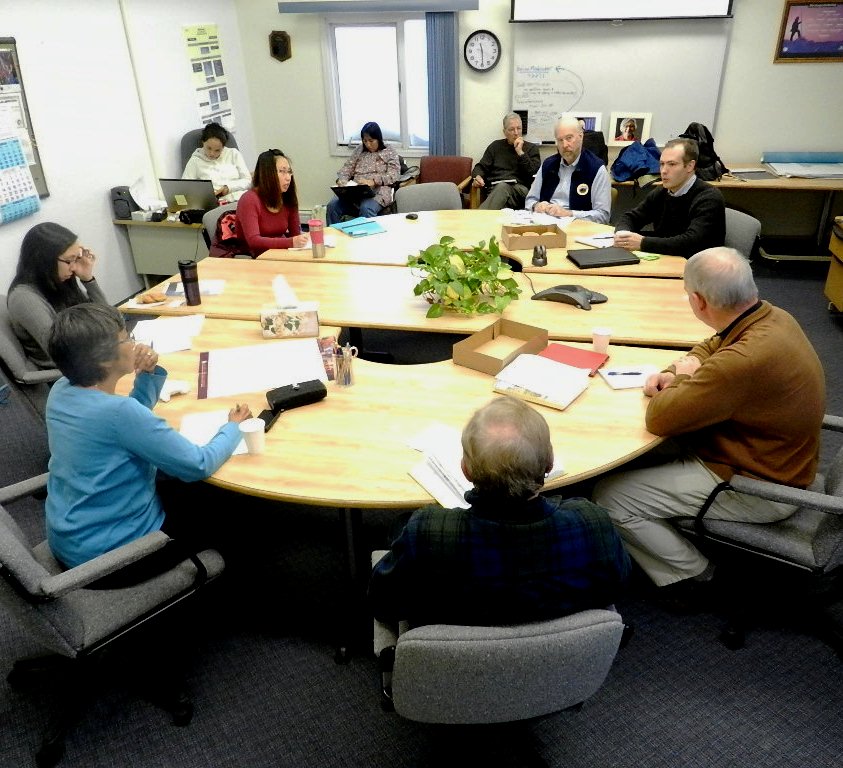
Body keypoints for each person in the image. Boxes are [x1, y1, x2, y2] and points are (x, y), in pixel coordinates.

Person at [593, 247, 825, 592]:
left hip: (760, 485)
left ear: (699, 302)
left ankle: (696, 576)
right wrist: (678, 369)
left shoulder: (741, 362)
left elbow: (660, 418)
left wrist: (685, 378)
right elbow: (713, 344)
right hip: (775, 454)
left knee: (610, 497)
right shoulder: (772, 317)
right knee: (634, 454)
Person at [369, 396, 631, 627]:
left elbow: (383, 604)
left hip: (456, 670)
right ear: (549, 463)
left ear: (466, 470)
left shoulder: (428, 534)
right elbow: (617, 584)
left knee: (398, 529)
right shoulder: (592, 526)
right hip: (561, 671)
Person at [45, 303, 252, 575]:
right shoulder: (118, 413)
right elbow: (197, 464)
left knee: (180, 486)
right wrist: (234, 427)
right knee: (233, 509)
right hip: (117, 557)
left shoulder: (61, 391)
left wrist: (147, 377)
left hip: (73, 539)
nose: (133, 343)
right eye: (126, 338)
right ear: (104, 360)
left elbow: (127, 427)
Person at [7, 222, 109, 370]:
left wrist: (88, 279)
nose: (74, 267)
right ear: (44, 260)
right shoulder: (24, 298)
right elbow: (63, 351)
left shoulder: (59, 281)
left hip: (91, 355)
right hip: (68, 374)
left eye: (76, 258)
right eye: (69, 260)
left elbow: (107, 319)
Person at [613, 138, 726, 258]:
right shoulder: (662, 192)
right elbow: (631, 217)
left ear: (690, 166)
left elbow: (691, 242)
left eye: (672, 164)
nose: (664, 171)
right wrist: (623, 235)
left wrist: (642, 243)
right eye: (662, 164)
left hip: (700, 266)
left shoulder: (709, 197)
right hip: (668, 258)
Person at [524, 115, 611, 223]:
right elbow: (529, 200)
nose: (565, 145)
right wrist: (536, 206)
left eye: (569, 138)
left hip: (577, 229)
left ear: (581, 136)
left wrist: (568, 214)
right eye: (560, 140)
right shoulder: (548, 165)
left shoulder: (596, 169)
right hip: (546, 225)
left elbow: (603, 215)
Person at [236, 148, 308, 256]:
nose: (288, 178)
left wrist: (300, 241)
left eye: (289, 172)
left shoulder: (287, 197)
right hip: (255, 258)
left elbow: (295, 234)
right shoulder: (249, 199)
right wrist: (291, 242)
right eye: (282, 172)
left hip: (281, 254)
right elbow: (253, 241)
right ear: (267, 174)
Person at [326, 122, 400, 225]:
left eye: (371, 140)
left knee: (366, 208)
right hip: (355, 191)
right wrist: (342, 180)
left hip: (378, 191)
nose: (368, 144)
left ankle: (366, 238)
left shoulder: (389, 150)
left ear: (378, 138)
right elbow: (347, 168)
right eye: (365, 141)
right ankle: (335, 237)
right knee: (332, 206)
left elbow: (394, 175)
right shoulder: (359, 150)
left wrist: (373, 181)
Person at [471, 113, 540, 210]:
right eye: (511, 129)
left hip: (520, 191)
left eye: (519, 128)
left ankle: (478, 219)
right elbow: (481, 167)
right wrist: (477, 177)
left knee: (503, 187)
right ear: (504, 132)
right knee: (502, 198)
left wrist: (520, 152)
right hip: (495, 191)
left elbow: (533, 173)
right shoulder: (495, 147)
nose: (516, 133)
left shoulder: (531, 148)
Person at [182, 122, 251, 204]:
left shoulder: (233, 154)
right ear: (203, 142)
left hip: (241, 199)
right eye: (209, 148)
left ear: (223, 147)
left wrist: (228, 188)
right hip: (217, 204)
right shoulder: (195, 160)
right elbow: (184, 189)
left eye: (217, 150)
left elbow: (248, 181)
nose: (212, 153)